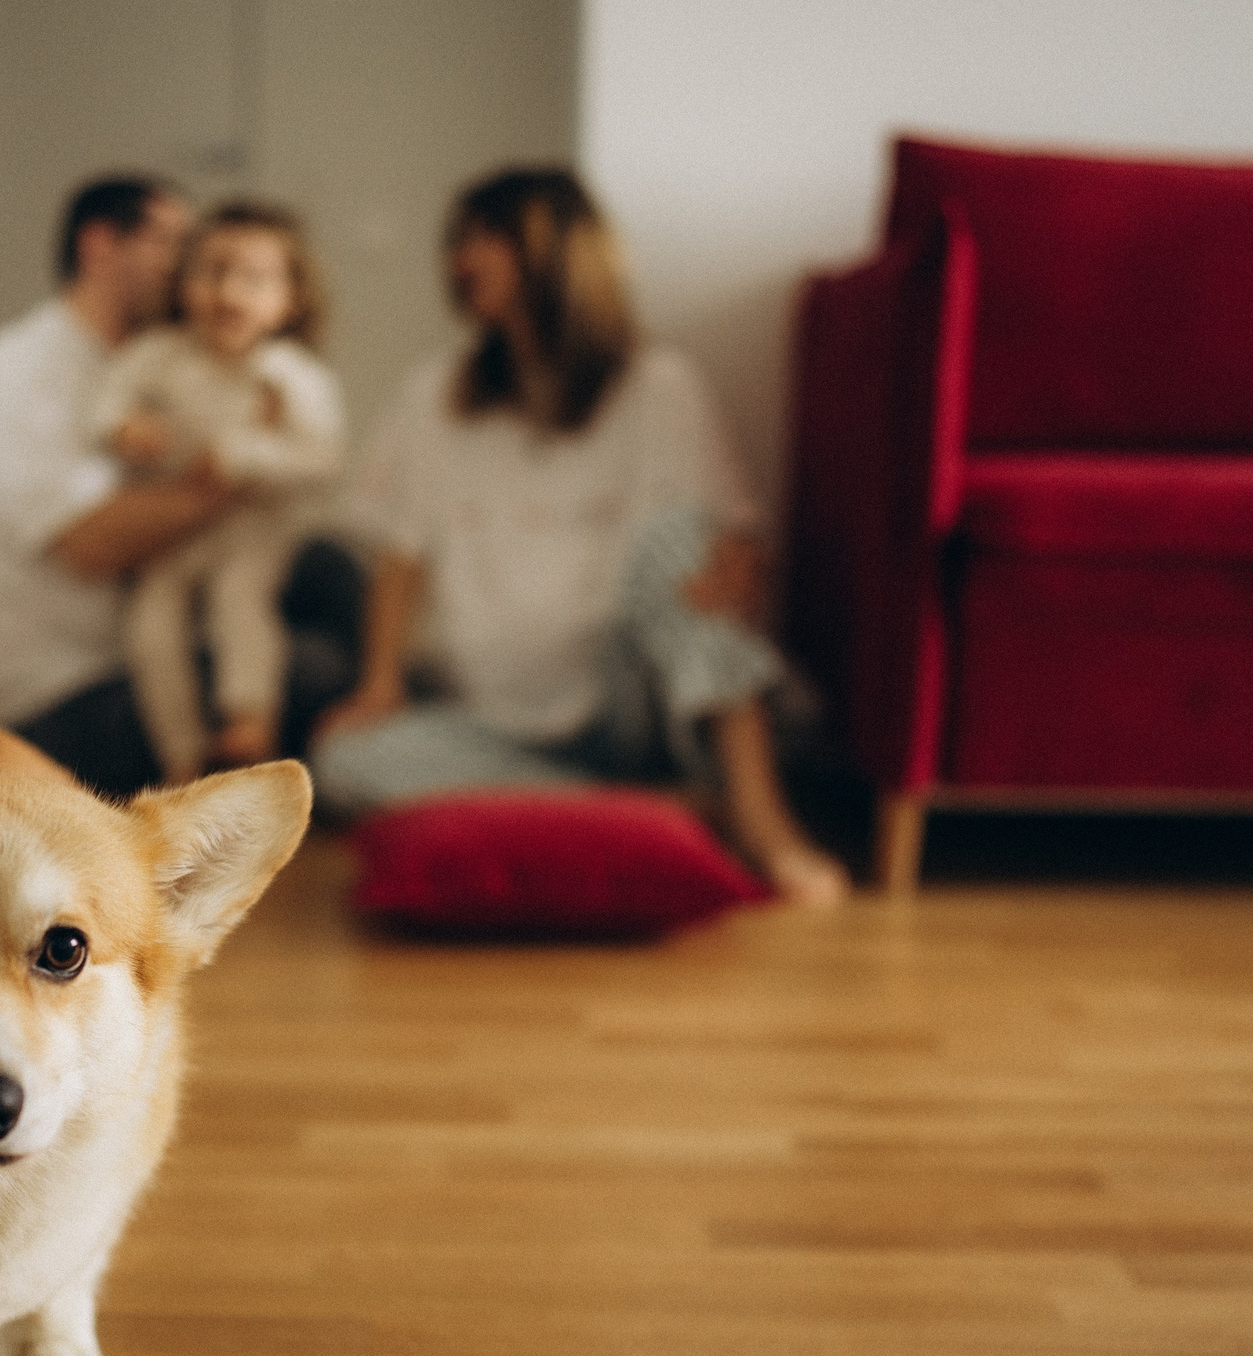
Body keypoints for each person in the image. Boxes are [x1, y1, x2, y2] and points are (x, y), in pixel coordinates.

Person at [311, 167, 850, 905]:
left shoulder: (658, 384)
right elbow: (399, 556)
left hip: (632, 698)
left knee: (676, 537)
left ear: (555, 249)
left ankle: (761, 819)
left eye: (484, 236)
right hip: (496, 722)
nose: (459, 259)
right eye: (456, 241)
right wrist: (380, 683)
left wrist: (740, 568)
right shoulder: (434, 393)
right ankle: (670, 811)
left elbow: (720, 549)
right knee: (344, 757)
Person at [0, 176, 361, 796]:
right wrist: (233, 463)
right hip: (69, 694)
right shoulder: (24, 369)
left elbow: (319, 454)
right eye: (176, 243)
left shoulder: (146, 357)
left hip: (161, 612)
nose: (194, 269)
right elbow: (92, 546)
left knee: (332, 569)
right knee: (319, 665)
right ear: (99, 246)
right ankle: (209, 769)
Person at [91, 201, 345, 783]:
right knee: (149, 627)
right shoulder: (160, 355)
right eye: (212, 272)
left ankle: (250, 716)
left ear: (289, 300)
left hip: (251, 529)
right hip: (176, 531)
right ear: (183, 284)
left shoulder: (290, 373)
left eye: (253, 279)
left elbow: (323, 458)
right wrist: (123, 427)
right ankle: (180, 757)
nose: (228, 292)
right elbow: (105, 403)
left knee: (240, 599)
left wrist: (240, 456)